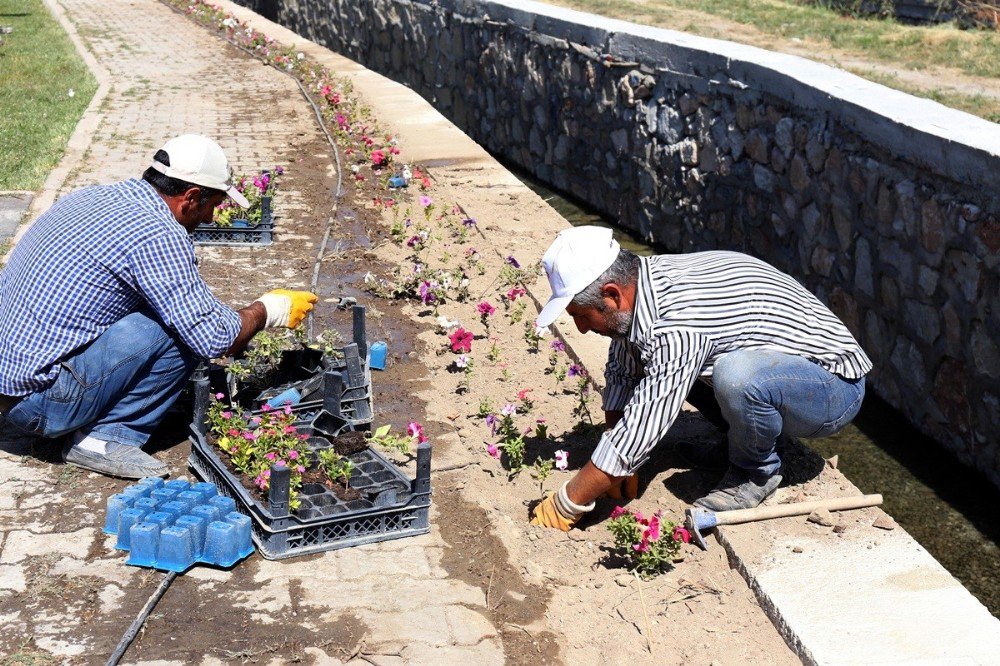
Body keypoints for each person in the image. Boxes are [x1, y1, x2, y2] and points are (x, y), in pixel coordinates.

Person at [0, 134, 317, 479]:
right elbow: (212, 338)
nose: (211, 218)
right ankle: (102, 439)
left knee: (172, 311)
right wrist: (268, 310)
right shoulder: (157, 233)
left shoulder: (92, 196)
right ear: (191, 197)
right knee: (183, 330)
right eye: (214, 204)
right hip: (40, 405)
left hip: (10, 385)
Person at [529, 226, 870, 531]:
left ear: (612, 294)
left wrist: (569, 501)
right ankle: (740, 442)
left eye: (580, 315)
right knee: (684, 365)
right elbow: (624, 370)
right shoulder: (641, 285)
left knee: (735, 377)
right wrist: (613, 438)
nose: (581, 328)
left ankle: (755, 472)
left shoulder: (678, 320)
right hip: (781, 370)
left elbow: (646, 420)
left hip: (832, 385)